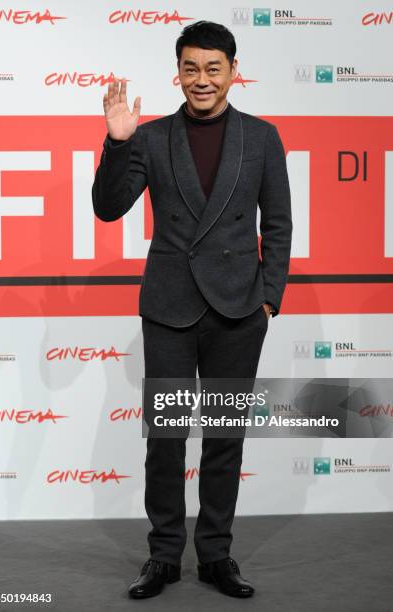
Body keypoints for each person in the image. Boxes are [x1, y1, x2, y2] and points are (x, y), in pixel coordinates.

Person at [92, 20, 292, 600]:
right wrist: (118, 141)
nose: (201, 79)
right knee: (167, 437)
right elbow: (109, 209)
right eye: (190, 68)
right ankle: (162, 557)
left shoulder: (261, 137)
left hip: (237, 310)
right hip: (170, 308)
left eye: (212, 68)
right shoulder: (150, 138)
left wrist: (268, 298)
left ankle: (216, 555)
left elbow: (277, 223)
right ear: (177, 73)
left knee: (226, 437)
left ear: (232, 71)